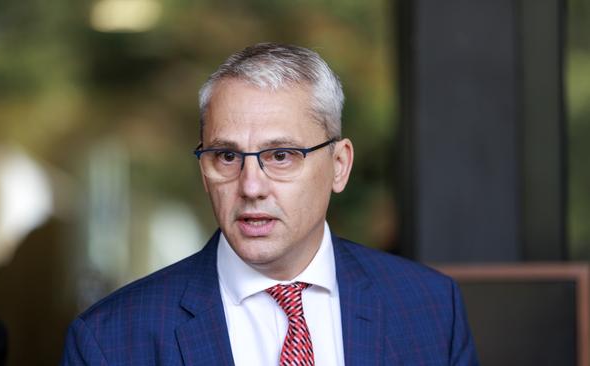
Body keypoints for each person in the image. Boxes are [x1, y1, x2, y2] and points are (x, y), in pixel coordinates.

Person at [61, 43, 478, 365]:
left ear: (339, 165)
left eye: (280, 156)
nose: (251, 186)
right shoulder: (112, 340)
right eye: (226, 156)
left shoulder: (430, 309)